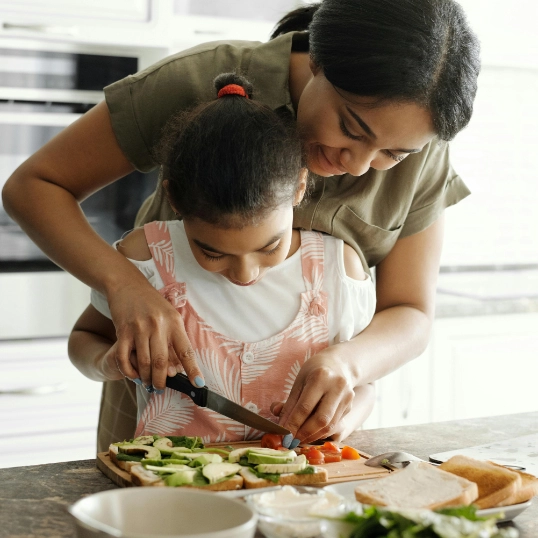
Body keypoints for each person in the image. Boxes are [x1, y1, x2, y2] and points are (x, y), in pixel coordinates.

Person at [1, 0, 480, 451]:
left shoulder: (421, 140)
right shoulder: (199, 80)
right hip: (161, 427)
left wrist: (349, 366)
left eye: (393, 155)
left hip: (308, 447)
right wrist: (124, 285)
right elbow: (35, 186)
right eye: (352, 129)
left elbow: (411, 313)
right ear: (317, 60)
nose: (358, 166)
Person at [68, 73, 377, 446]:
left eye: (268, 247)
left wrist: (342, 423)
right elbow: (83, 340)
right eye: (212, 252)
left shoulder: (338, 270)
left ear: (299, 186)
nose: (244, 273)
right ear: (176, 201)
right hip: (174, 498)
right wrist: (112, 363)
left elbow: (366, 387)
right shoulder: (146, 258)